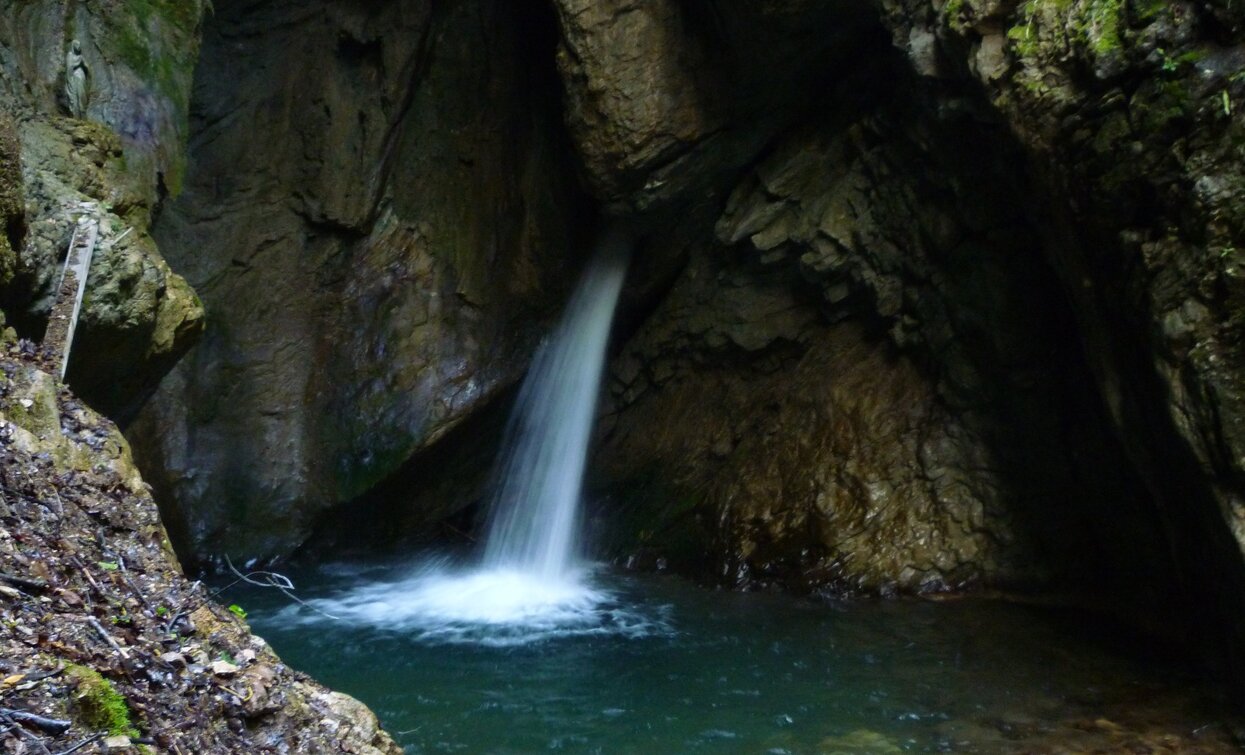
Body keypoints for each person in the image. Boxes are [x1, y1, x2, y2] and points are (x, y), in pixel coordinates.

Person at [65, 39, 88, 118]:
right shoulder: (70, 55)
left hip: (81, 76)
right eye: (76, 45)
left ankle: (83, 114)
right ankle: (75, 115)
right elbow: (69, 68)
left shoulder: (81, 56)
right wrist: (78, 63)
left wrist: (84, 65)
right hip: (73, 77)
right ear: (73, 46)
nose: (78, 47)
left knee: (82, 94)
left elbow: (87, 67)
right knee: (74, 97)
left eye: (79, 45)